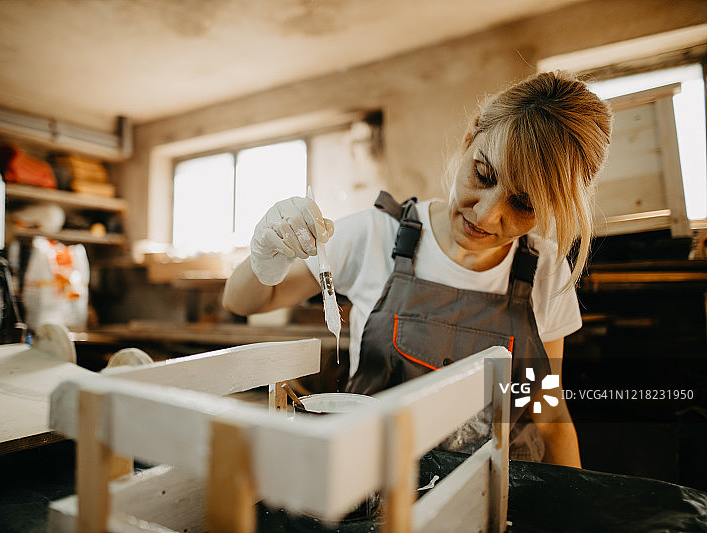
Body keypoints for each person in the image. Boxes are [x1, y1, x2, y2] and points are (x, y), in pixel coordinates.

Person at [222, 71, 612, 468]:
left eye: (524, 204)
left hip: (500, 492)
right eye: (484, 174)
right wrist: (265, 255)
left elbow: (549, 412)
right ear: (468, 140)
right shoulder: (375, 234)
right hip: (376, 485)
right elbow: (243, 301)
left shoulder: (544, 270)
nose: (486, 213)